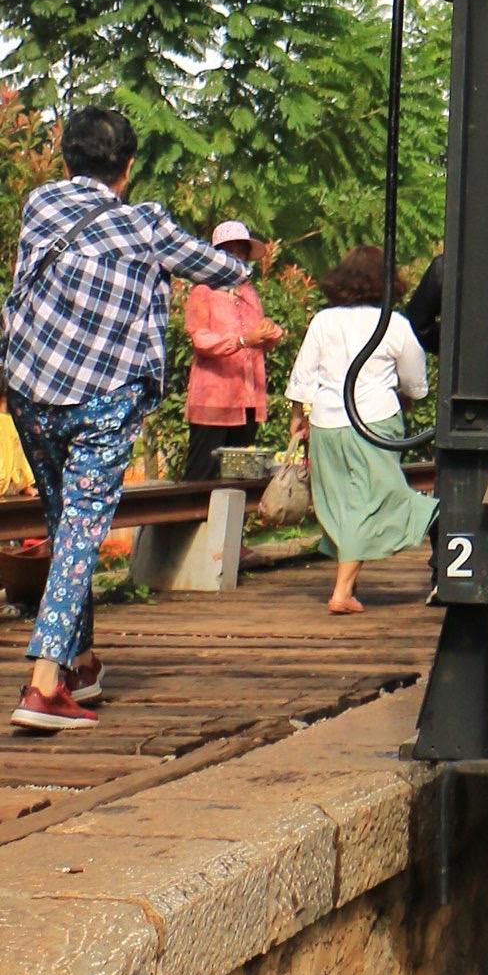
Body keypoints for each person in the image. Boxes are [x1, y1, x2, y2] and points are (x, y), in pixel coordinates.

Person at [1, 106, 250, 730]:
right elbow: (224, 269)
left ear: (66, 160)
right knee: (82, 530)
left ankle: (81, 664)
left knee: (67, 525)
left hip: (31, 392)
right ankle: (43, 684)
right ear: (129, 167)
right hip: (104, 398)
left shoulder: (40, 207)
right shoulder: (144, 225)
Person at [285, 249, 435, 614]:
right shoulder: (394, 323)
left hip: (327, 422)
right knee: (376, 499)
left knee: (340, 501)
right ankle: (342, 591)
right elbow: (415, 382)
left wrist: (297, 415)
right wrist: (408, 395)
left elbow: (304, 374)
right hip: (375, 422)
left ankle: (349, 587)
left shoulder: (323, 320)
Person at [183, 222, 285, 480]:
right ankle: (186, 520)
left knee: (240, 476)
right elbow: (201, 340)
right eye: (230, 252)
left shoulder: (249, 292)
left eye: (240, 252)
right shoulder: (203, 291)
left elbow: (259, 337)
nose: (236, 258)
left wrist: (269, 333)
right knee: (200, 475)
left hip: (248, 398)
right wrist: (242, 340)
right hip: (214, 401)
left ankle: (230, 522)